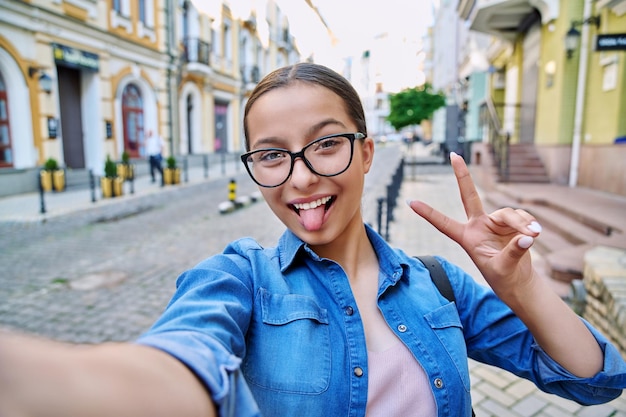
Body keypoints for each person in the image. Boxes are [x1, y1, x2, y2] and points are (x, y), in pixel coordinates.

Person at [1, 63, 624, 417]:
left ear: (366, 152)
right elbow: (178, 364)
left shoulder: (438, 283)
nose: (300, 178)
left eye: (326, 143)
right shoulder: (241, 278)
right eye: (271, 155)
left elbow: (595, 379)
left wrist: (522, 286)